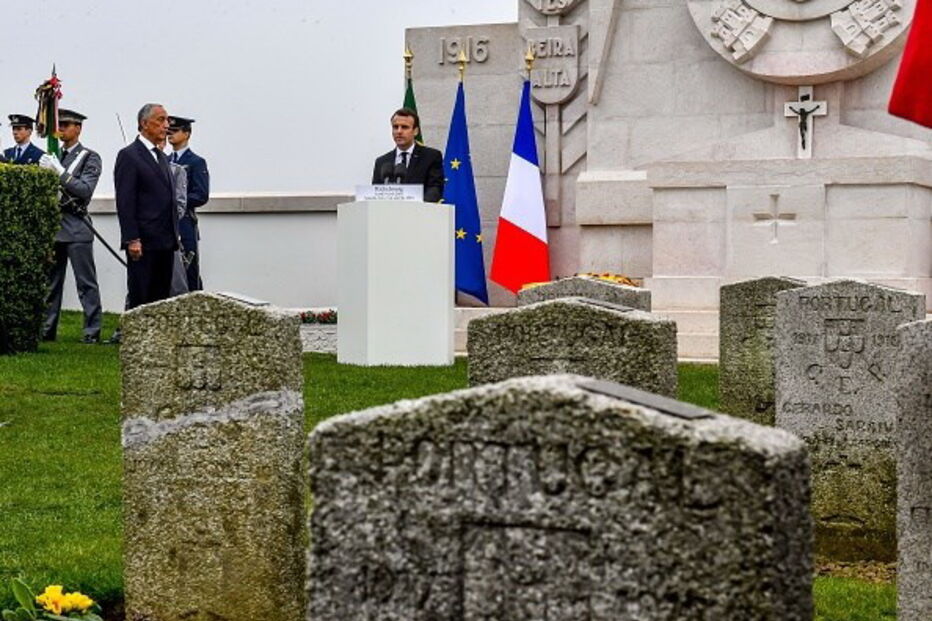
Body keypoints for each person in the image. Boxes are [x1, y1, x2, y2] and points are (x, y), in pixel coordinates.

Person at [37, 109, 103, 343]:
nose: (61, 129)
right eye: (60, 124)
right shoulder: (54, 155)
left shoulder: (89, 157)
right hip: (56, 227)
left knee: (86, 283)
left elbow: (84, 190)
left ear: (78, 128)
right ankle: (46, 330)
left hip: (76, 227)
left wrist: (60, 173)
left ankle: (92, 331)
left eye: (66, 125)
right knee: (51, 285)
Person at [114, 103, 178, 309]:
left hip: (165, 241)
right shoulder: (130, 155)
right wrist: (132, 238)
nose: (166, 125)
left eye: (167, 120)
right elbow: (125, 201)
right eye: (160, 120)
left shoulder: (161, 157)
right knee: (142, 296)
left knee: (161, 298)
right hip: (143, 243)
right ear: (144, 123)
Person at [167, 115, 209, 290]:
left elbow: (201, 195)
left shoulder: (196, 162)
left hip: (185, 221)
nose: (170, 135)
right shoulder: (164, 160)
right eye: (168, 131)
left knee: (189, 268)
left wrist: (178, 201)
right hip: (166, 222)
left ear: (187, 133)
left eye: (175, 131)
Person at [371, 107, 444, 202]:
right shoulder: (382, 161)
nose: (399, 131)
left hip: (420, 213)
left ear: (416, 131)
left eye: (404, 127)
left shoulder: (431, 156)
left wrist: (415, 207)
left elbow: (435, 189)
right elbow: (375, 193)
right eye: (395, 127)